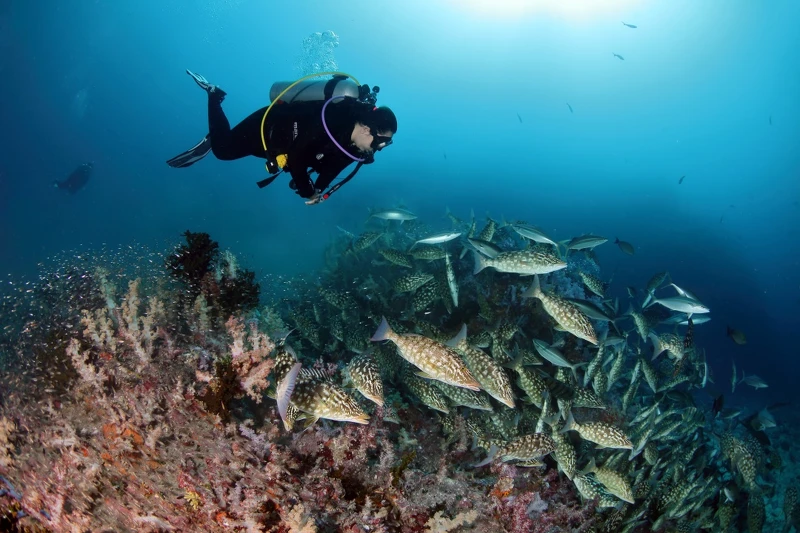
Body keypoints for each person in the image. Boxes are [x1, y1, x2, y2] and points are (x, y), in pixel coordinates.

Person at [167, 70, 397, 205]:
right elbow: (297, 156)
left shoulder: (355, 150)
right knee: (223, 151)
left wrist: (317, 190)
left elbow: (331, 170)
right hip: (268, 125)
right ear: (368, 129)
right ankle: (214, 96)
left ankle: (219, 135)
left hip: (276, 148)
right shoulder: (333, 117)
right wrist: (306, 189)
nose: (377, 150)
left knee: (227, 145)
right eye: (381, 143)